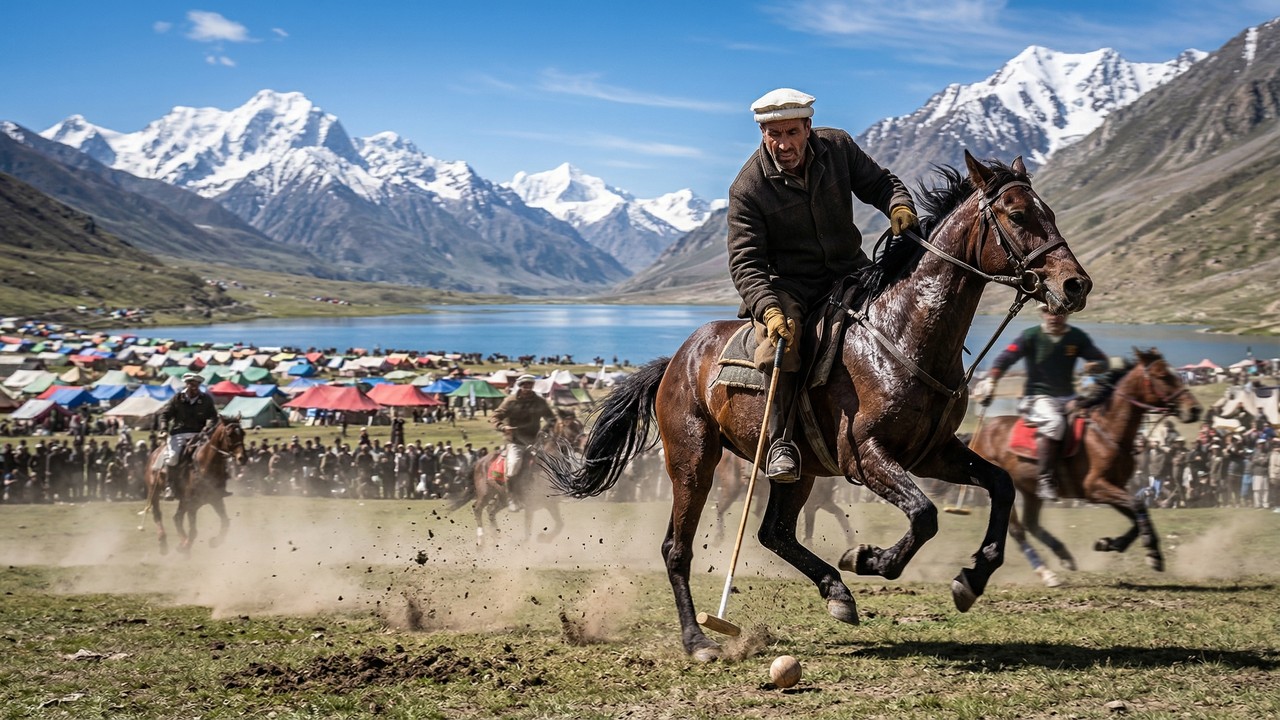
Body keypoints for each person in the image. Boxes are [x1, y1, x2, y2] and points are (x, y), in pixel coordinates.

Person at [727, 87, 918, 482]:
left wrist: (898, 206)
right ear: (762, 133)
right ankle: (781, 443)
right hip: (790, 287)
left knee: (909, 311)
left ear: (808, 128)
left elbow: (881, 184)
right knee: (780, 343)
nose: (784, 144)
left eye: (792, 133)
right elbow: (746, 263)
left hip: (851, 270)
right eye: (774, 134)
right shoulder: (747, 190)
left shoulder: (838, 147)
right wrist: (770, 309)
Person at [975, 304, 1108, 500]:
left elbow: (1101, 360)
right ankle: (1046, 479)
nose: (1054, 316)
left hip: (1068, 397)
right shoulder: (1031, 335)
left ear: (1067, 314)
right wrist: (992, 380)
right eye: (1049, 312)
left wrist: (1096, 365)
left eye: (1060, 312)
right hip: (1037, 397)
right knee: (1055, 423)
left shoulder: (1077, 337)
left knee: (1092, 419)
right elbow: (1006, 358)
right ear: (1043, 313)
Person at [154, 372, 223, 497]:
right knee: (173, 457)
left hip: (200, 434)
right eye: (192, 384)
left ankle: (219, 486)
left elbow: (213, 416)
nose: (194, 387)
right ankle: (170, 486)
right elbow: (165, 415)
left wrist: (208, 428)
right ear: (187, 384)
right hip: (179, 434)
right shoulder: (177, 398)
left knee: (215, 454)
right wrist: (164, 429)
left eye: (197, 384)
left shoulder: (206, 399)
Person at [490, 374, 556, 502]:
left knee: (551, 463)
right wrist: (502, 427)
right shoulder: (510, 401)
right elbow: (495, 416)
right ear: (520, 385)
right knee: (514, 466)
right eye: (525, 384)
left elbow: (551, 419)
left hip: (535, 441)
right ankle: (511, 497)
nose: (527, 386)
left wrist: (544, 431)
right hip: (515, 441)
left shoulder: (539, 402)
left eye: (530, 384)